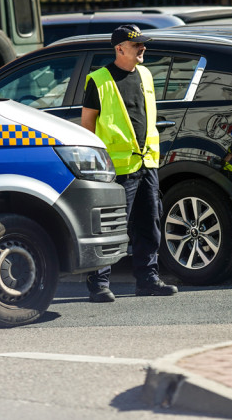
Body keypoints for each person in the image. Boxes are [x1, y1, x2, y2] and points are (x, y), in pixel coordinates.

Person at [82, 25, 178, 302]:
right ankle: (98, 283)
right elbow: (88, 125)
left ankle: (148, 279)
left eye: (143, 44)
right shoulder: (99, 80)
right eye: (137, 45)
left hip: (147, 162)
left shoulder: (146, 75)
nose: (143, 48)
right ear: (119, 49)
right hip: (115, 168)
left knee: (149, 224)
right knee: (110, 227)